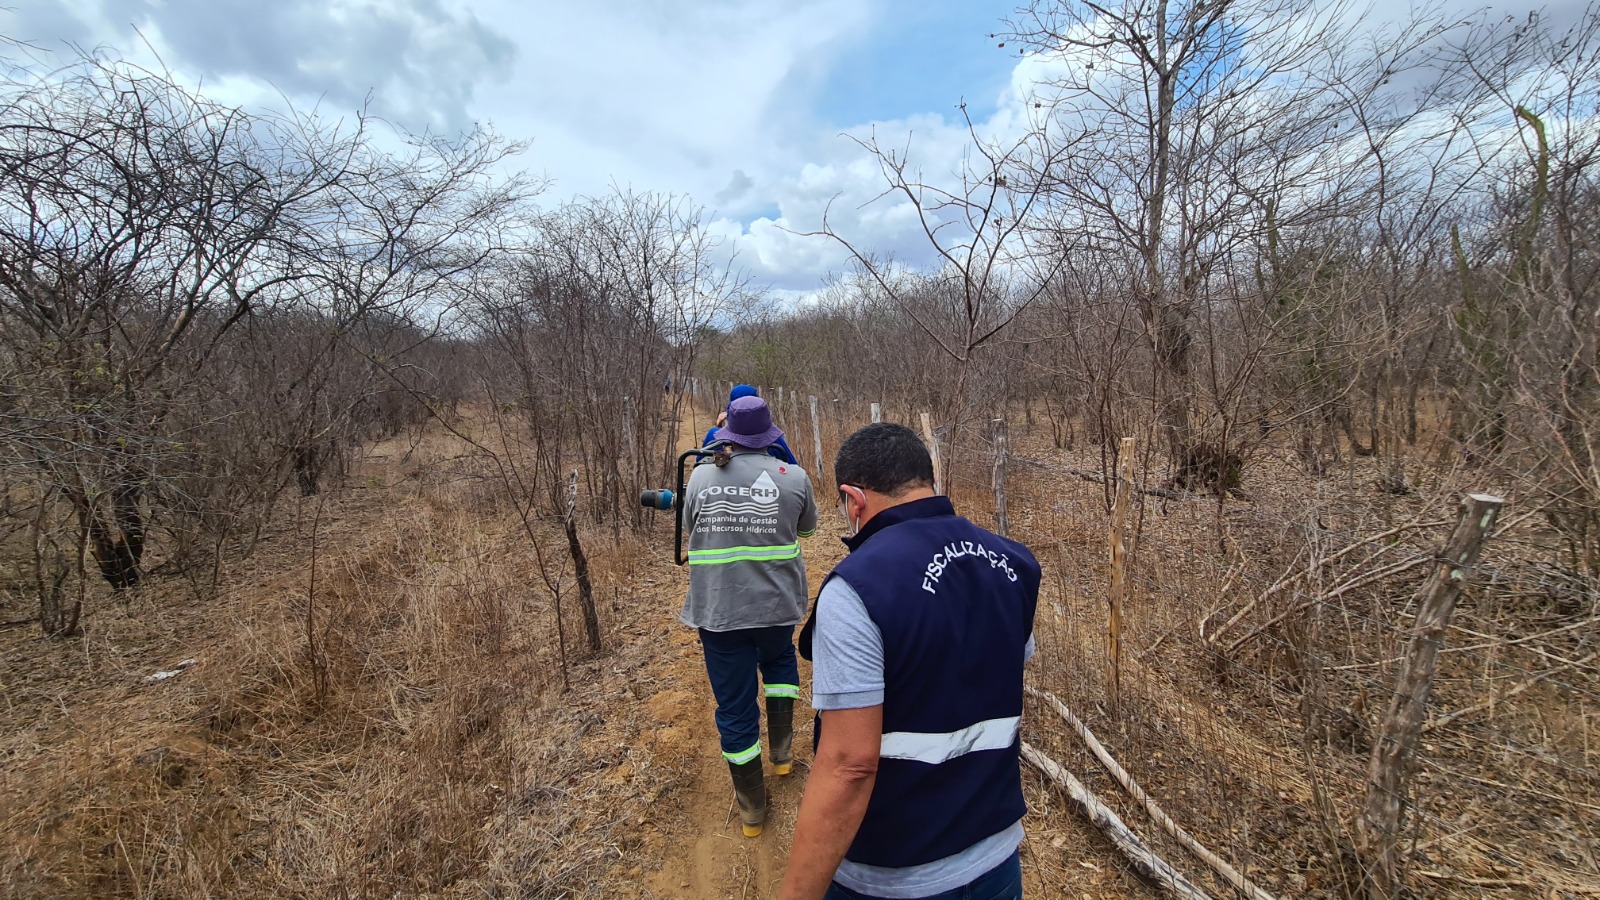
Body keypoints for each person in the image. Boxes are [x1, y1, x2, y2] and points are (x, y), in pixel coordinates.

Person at [781, 423, 1041, 900]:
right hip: (998, 860)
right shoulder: (1017, 564)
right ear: (928, 480)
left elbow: (849, 766)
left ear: (852, 500)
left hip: (893, 877)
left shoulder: (856, 588)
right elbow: (993, 670)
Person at [682, 395, 819, 837]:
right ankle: (781, 756)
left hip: (719, 613)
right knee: (780, 663)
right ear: (770, 436)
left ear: (727, 435)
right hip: (778, 608)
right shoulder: (794, 476)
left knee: (735, 707)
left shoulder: (701, 476)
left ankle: (753, 813)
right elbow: (808, 530)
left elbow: (690, 527)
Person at [705, 384, 799, 465]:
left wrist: (719, 427)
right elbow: (792, 465)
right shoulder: (774, 440)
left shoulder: (714, 435)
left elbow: (701, 462)